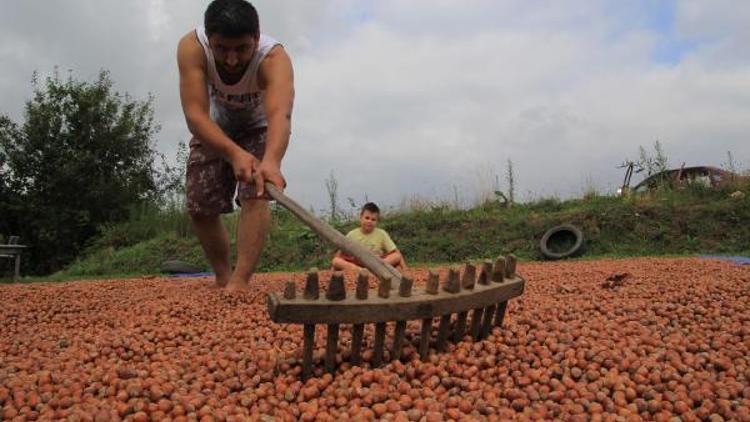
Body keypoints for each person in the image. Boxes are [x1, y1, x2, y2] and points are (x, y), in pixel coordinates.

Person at [177, 0, 294, 291]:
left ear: (256, 38)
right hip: (214, 127)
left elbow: (281, 114)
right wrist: (232, 152)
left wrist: (272, 161)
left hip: (258, 126)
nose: (231, 60)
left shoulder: (274, 59)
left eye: (241, 49)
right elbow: (195, 115)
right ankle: (222, 275)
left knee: (256, 193)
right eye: (222, 49)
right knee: (199, 203)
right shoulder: (192, 48)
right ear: (209, 40)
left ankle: (240, 281)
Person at [332, 203, 407, 272]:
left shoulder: (381, 233)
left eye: (373, 219)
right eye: (367, 218)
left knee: (396, 256)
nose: (369, 221)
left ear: (377, 221)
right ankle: (362, 272)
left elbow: (396, 252)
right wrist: (333, 269)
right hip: (357, 264)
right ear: (361, 218)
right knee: (336, 261)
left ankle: (373, 271)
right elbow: (340, 252)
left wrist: (405, 269)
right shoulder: (352, 234)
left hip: (377, 263)